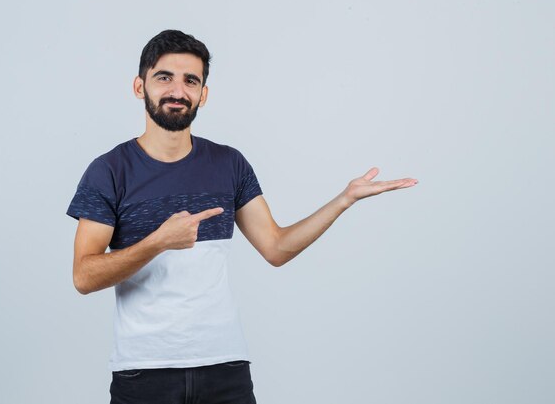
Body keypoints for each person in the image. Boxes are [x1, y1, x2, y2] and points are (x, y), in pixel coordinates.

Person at [67, 29, 418, 404]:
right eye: (164, 77)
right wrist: (157, 242)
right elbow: (83, 276)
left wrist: (343, 200)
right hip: (143, 373)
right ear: (140, 86)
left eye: (191, 80)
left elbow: (276, 248)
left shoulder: (228, 164)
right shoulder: (109, 171)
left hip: (226, 369)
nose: (177, 90)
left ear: (203, 94)